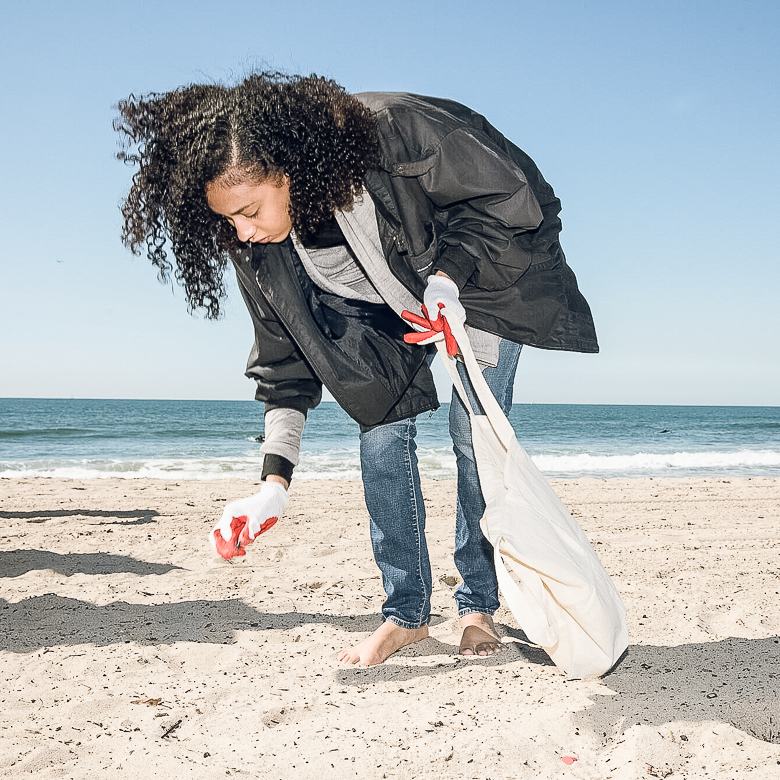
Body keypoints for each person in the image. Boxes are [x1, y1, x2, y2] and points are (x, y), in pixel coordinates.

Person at [115, 72, 598, 667]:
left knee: (474, 434)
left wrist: (447, 279)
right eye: (228, 220)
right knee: (380, 431)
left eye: (248, 211)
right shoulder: (255, 245)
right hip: (380, 308)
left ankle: (477, 605)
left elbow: (509, 197)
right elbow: (283, 361)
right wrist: (273, 485)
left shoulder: (392, 131)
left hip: (477, 275)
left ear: (286, 171)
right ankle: (408, 616)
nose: (241, 231)